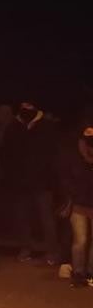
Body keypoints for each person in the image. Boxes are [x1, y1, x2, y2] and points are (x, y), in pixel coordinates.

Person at [1, 102, 62, 264]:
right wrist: (10, 177)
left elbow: (54, 155)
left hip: (43, 182)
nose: (26, 108)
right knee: (22, 217)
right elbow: (5, 154)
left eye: (29, 105)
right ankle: (25, 248)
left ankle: (52, 252)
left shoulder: (47, 127)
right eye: (23, 105)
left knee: (46, 218)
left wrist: (53, 179)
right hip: (19, 182)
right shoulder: (13, 127)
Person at [58, 122, 93, 287]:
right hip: (79, 205)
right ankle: (79, 273)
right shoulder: (74, 158)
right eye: (87, 142)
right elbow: (66, 179)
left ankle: (91, 273)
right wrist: (73, 194)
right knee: (80, 240)